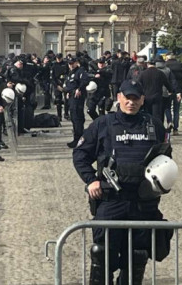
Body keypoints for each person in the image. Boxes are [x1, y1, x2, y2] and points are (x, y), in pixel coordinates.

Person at [73, 80, 171, 285]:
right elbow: (80, 154)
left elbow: (166, 160)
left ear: (142, 100)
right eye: (127, 98)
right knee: (102, 254)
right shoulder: (103, 124)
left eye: (136, 98)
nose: (131, 102)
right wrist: (91, 181)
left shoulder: (154, 125)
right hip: (111, 200)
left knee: (137, 256)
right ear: (119, 98)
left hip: (143, 202)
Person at [137, 61, 173, 127]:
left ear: (148, 64)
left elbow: (138, 84)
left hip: (146, 97)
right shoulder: (160, 73)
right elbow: (167, 83)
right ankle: (157, 129)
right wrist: (170, 91)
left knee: (147, 114)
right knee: (157, 115)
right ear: (155, 65)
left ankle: (148, 128)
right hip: (157, 97)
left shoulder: (143, 73)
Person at [65, 57, 88, 148]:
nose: (71, 65)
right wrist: (67, 92)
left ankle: (79, 139)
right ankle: (76, 138)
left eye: (72, 63)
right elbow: (69, 84)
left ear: (76, 63)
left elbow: (85, 81)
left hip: (77, 97)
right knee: (74, 118)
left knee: (77, 117)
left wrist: (79, 89)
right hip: (71, 96)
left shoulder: (80, 71)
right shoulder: (70, 73)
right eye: (69, 64)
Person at [164, 54, 182, 136]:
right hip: (179, 89)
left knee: (167, 107)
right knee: (176, 109)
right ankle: (176, 129)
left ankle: (169, 121)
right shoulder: (181, 65)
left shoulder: (165, 65)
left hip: (168, 89)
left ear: (167, 58)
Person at [52, 54, 70, 120]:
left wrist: (66, 83)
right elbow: (52, 77)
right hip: (57, 83)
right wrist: (57, 86)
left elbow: (68, 74)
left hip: (65, 83)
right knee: (58, 100)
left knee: (67, 100)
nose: (58, 59)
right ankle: (59, 115)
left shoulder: (65, 64)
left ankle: (66, 114)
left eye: (59, 58)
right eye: (57, 58)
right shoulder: (54, 65)